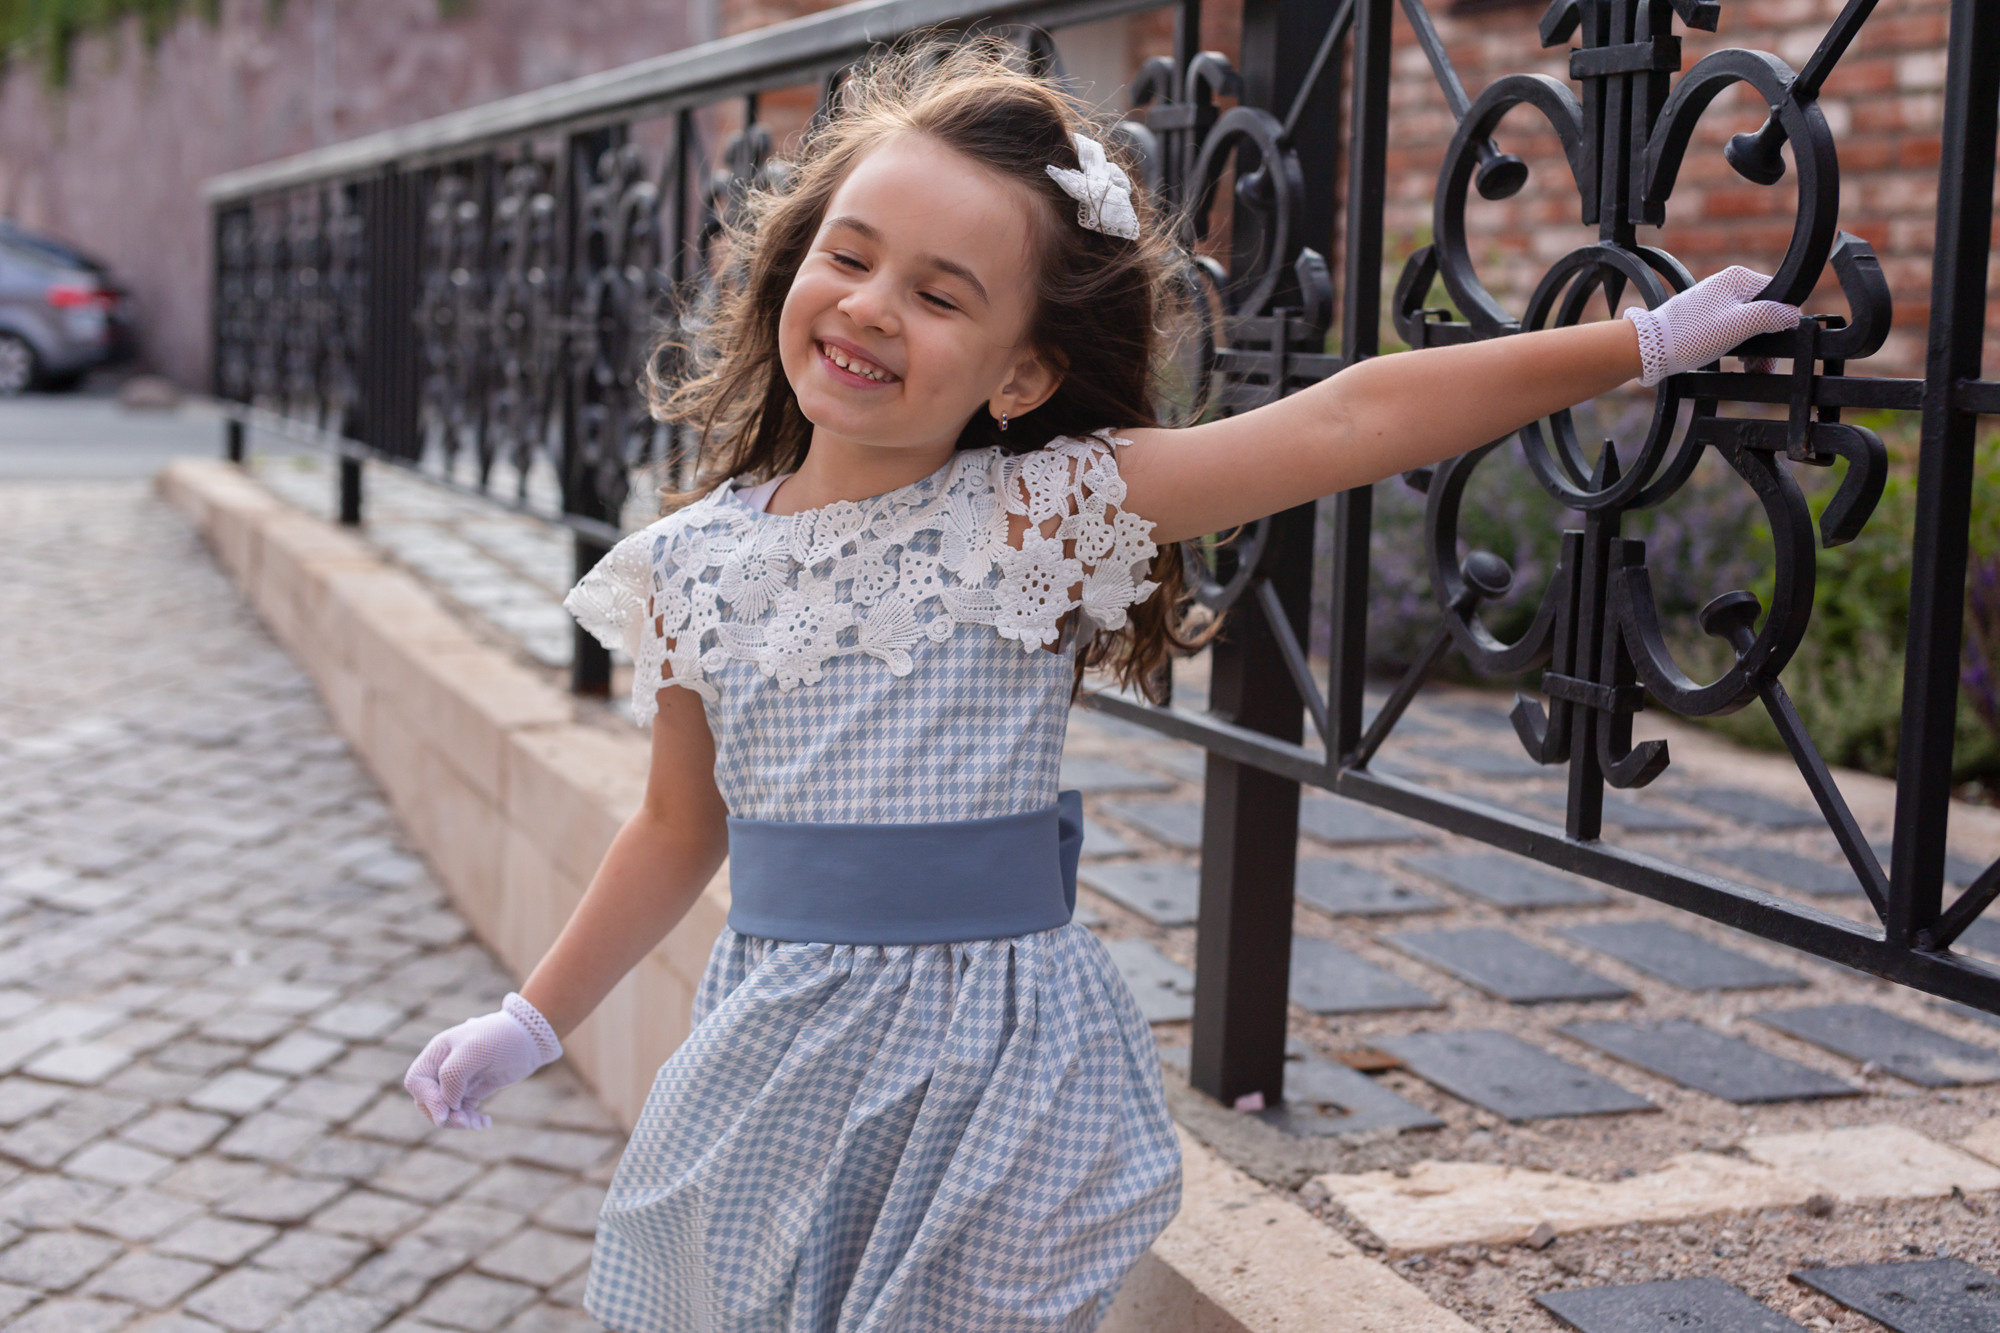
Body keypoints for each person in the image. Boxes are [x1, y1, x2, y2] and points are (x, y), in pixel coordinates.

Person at [402, 35, 1800, 1333]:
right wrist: (531, 1018)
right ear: (792, 268)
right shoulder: (688, 565)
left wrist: (1641, 345)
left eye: (942, 293)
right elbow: (674, 827)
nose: (873, 308)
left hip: (997, 1066)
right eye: (852, 256)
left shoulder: (1043, 508)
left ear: (1020, 374)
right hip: (777, 1057)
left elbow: (1353, 414)